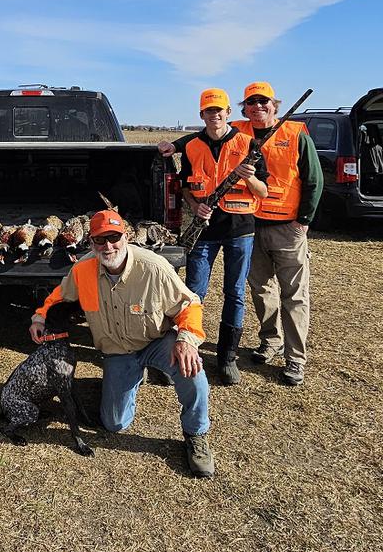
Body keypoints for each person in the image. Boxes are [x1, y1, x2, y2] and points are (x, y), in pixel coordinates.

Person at [29, 209, 214, 478]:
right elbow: (58, 297)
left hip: (157, 341)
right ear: (91, 243)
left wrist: (186, 341)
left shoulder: (154, 267)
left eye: (114, 237)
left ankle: (196, 435)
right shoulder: (83, 270)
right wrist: (39, 317)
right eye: (100, 240)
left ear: (126, 237)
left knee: (193, 371)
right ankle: (120, 383)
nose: (108, 246)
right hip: (118, 352)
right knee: (115, 424)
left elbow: (190, 304)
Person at [158, 88, 268, 385]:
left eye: (219, 110)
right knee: (194, 292)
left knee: (234, 293)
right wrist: (195, 206)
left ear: (228, 112)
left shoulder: (249, 144)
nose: (215, 115)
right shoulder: (192, 146)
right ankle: (184, 349)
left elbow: (264, 191)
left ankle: (227, 357)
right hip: (203, 233)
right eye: (209, 111)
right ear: (202, 115)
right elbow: (183, 186)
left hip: (240, 231)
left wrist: (250, 177)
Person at [232, 82, 323, 386]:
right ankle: (271, 341)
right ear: (244, 108)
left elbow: (314, 178)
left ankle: (295, 359)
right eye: (251, 102)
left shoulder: (296, 134)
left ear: (275, 105)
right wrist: (172, 145)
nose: (257, 106)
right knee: (260, 289)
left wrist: (304, 219)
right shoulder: (237, 130)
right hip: (250, 225)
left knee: (294, 296)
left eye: (263, 101)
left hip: (287, 227)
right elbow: (205, 135)